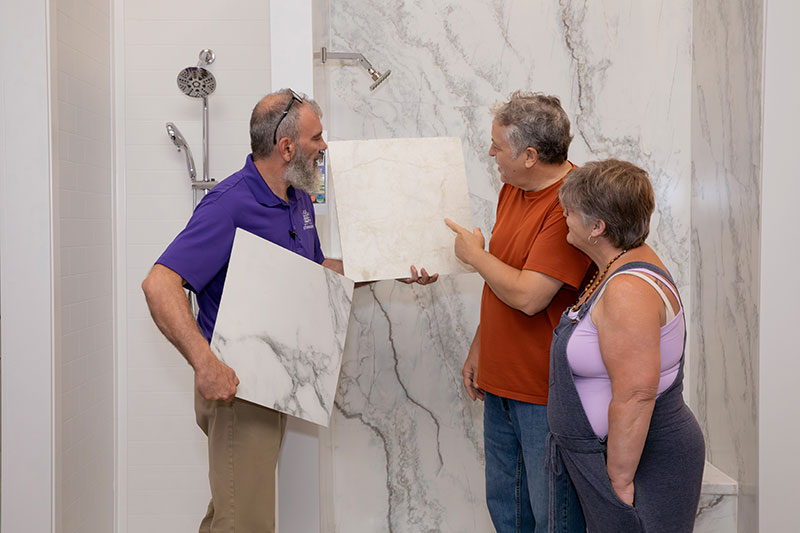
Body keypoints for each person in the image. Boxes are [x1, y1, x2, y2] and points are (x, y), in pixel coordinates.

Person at [141, 88, 437, 533]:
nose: (324, 147)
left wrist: (391, 265)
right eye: (317, 137)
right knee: (246, 522)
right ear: (286, 147)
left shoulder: (296, 197)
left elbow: (319, 272)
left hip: (271, 381)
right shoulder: (228, 205)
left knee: (234, 511)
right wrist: (206, 365)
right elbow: (159, 283)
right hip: (237, 388)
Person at [445, 91, 590, 533]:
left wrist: (473, 255)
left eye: (497, 146)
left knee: (552, 520)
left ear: (530, 155)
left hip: (544, 395)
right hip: (501, 385)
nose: (490, 153)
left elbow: (530, 295)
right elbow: (502, 278)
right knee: (507, 515)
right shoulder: (513, 187)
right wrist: (481, 345)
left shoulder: (575, 203)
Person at [547, 159, 705, 532]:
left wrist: (617, 482)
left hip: (640, 463)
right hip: (623, 459)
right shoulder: (625, 263)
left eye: (569, 211)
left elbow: (635, 394)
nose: (563, 218)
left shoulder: (627, 290)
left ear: (597, 227)